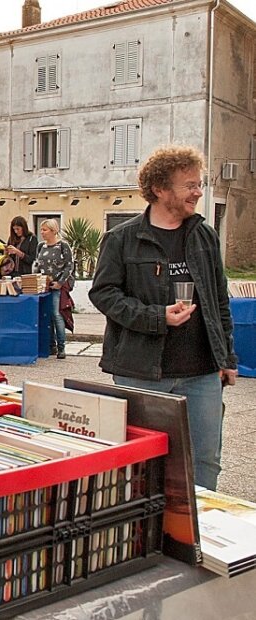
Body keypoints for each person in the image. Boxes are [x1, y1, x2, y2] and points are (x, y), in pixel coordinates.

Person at [89, 145, 237, 491]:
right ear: (160, 189)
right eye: (189, 185)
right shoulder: (121, 238)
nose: (198, 192)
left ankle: (200, 535)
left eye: (198, 184)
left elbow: (219, 301)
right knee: (143, 467)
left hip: (201, 374)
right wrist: (157, 317)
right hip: (142, 373)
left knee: (205, 461)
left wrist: (227, 358)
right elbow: (104, 294)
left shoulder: (205, 235)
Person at [32, 218, 74, 359]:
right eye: (41, 230)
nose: (42, 233)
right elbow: (37, 264)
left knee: (56, 315)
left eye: (45, 230)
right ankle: (51, 345)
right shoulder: (41, 246)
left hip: (57, 286)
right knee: (47, 315)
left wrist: (60, 283)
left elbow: (69, 265)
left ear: (53, 231)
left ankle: (62, 346)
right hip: (44, 286)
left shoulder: (63, 245)